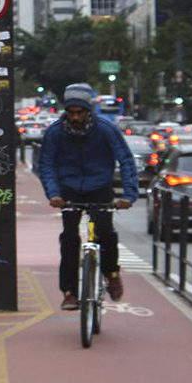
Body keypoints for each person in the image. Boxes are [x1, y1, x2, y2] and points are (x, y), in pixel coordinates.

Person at [38, 82, 137, 310]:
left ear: (89, 110)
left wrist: (129, 196)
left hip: (100, 187)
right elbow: (46, 165)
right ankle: (70, 292)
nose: (75, 117)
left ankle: (112, 273)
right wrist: (53, 194)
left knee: (106, 233)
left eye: (80, 112)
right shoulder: (55, 132)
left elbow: (126, 161)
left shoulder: (106, 130)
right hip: (68, 190)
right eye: (70, 112)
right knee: (69, 239)